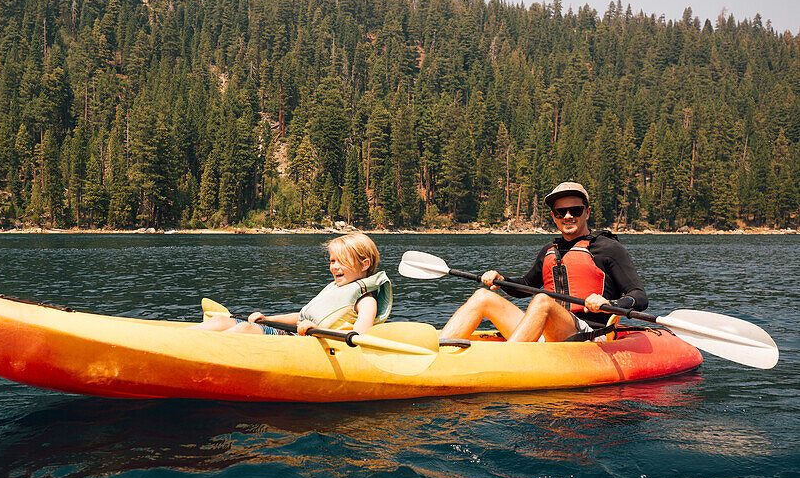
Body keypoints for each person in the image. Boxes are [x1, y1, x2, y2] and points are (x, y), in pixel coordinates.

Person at [439, 181, 647, 342]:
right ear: (554, 216)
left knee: (542, 300)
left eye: (575, 210)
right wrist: (501, 279)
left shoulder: (608, 248)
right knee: (482, 297)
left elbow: (638, 296)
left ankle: (509, 360)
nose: (568, 216)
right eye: (560, 212)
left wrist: (610, 303)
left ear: (587, 212)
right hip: (551, 331)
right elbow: (527, 286)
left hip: (590, 334)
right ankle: (441, 353)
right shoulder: (549, 250)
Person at [191, 232, 392, 336]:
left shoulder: (366, 301)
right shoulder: (336, 288)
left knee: (246, 330)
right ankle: (172, 342)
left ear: (365, 264)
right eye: (332, 261)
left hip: (313, 344)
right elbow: (302, 316)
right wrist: (266, 318)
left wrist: (317, 329)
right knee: (223, 320)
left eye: (342, 261)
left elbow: (360, 334)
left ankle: (198, 354)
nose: (334, 267)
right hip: (295, 334)